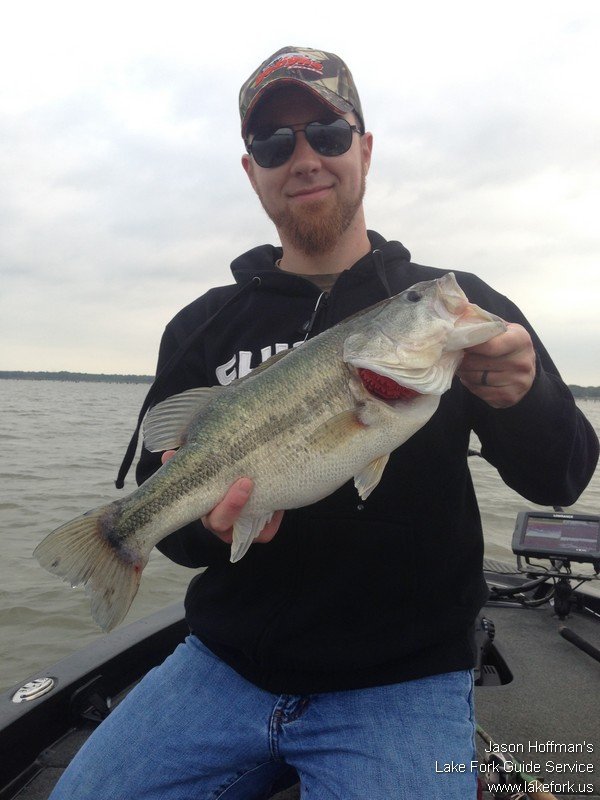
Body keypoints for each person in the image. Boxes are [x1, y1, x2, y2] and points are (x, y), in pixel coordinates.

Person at [50, 46, 599, 800]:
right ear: (252, 171)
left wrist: (524, 397)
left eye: (329, 133)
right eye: (275, 143)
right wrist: (207, 526)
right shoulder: (202, 326)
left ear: (364, 150)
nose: (305, 157)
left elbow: (561, 479)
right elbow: (172, 523)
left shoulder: (457, 306)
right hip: (224, 666)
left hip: (403, 681)